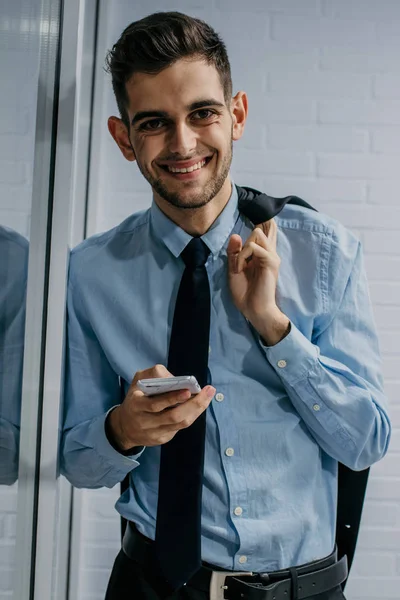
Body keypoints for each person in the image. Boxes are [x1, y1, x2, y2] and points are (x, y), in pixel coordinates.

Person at [60, 11, 391, 600]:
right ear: (122, 137)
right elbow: (80, 463)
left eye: (202, 114)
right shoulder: (91, 273)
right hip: (150, 587)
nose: (183, 144)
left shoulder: (325, 252)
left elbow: (366, 441)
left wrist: (274, 328)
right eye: (155, 123)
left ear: (235, 115)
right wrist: (123, 429)